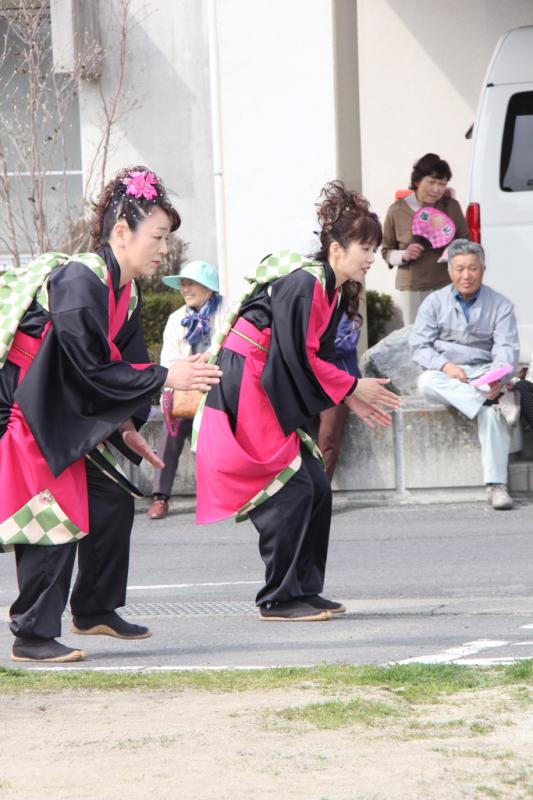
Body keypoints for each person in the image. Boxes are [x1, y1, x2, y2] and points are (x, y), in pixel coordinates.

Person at [0, 166, 222, 663]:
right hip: (27, 407)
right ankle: (32, 634)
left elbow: (121, 364)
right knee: (51, 514)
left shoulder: (127, 289)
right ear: (122, 232)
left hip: (61, 406)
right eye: (157, 237)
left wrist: (124, 426)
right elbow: (92, 366)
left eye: (166, 238)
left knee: (112, 500)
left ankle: (95, 608)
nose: (164, 249)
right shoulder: (80, 279)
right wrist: (168, 376)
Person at [193, 180, 401, 622]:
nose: (371, 258)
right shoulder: (306, 283)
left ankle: (304, 588)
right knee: (291, 487)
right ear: (336, 249)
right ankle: (278, 598)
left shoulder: (328, 286)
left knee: (317, 486)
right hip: (248, 382)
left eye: (374, 248)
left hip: (265, 379)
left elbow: (308, 359)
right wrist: (351, 387)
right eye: (364, 248)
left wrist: (350, 394)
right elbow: (296, 358)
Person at [410, 239, 520, 510]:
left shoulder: (501, 304)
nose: (466, 275)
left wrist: (496, 379)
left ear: (483, 270)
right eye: (459, 269)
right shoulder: (434, 302)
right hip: (449, 374)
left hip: (484, 371)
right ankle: (488, 400)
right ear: (450, 271)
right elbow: (419, 346)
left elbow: (506, 348)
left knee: (492, 415)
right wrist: (446, 366)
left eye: (472, 268)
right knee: (426, 382)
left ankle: (496, 487)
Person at [148, 260, 230, 519]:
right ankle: (160, 497)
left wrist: (209, 358)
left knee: (220, 440)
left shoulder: (228, 311)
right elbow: (168, 361)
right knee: (169, 436)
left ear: (208, 287)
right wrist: (191, 366)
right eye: (182, 284)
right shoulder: (176, 319)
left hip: (219, 388)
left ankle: (222, 497)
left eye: (191, 283)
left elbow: (230, 349)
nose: (185, 289)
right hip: (185, 389)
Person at [382, 153, 470, 325]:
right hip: (413, 286)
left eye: (442, 184)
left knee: (448, 334)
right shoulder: (397, 210)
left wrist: (452, 250)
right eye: (431, 182)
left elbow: (466, 241)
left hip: (447, 283)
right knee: (416, 334)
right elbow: (386, 251)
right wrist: (404, 255)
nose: (436, 189)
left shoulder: (451, 206)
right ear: (417, 181)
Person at [316, 308, 363, 480]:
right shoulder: (307, 311)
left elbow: (344, 344)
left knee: (328, 436)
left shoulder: (351, 316)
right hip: (310, 382)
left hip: (340, 384)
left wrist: (311, 347)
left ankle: (321, 489)